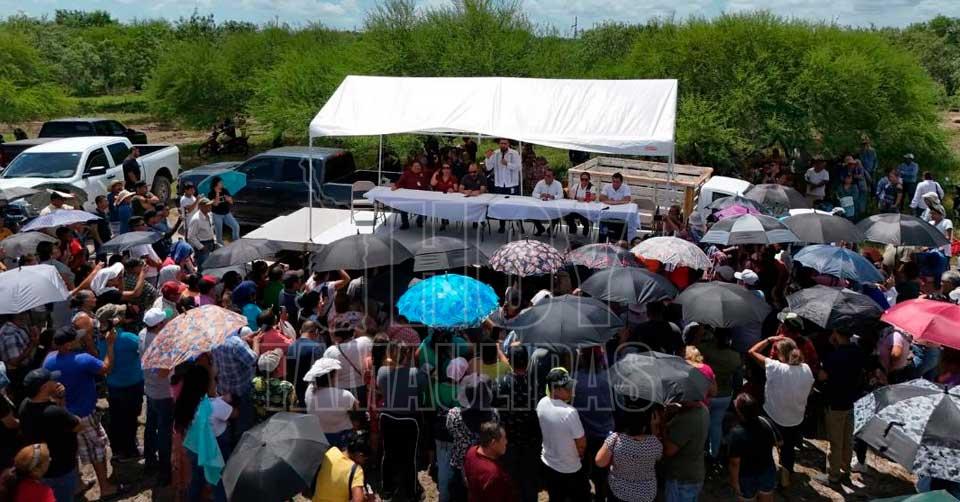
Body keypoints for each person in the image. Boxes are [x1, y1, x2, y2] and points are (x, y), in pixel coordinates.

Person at [42, 326, 119, 498]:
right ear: (68, 344)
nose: (80, 339)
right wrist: (110, 345)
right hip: (85, 414)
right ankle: (105, 487)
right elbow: (106, 368)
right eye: (76, 338)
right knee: (97, 448)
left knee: (72, 450)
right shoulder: (83, 359)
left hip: (63, 415)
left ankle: (78, 484)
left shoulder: (48, 360)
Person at [747, 336, 814, 488]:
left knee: (765, 446)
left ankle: (766, 475)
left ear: (782, 354)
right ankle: (785, 478)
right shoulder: (806, 369)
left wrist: (770, 339)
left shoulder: (775, 367)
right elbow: (810, 391)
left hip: (772, 415)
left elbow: (752, 352)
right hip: (795, 417)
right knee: (788, 448)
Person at [17, 369, 80, 502]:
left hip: (40, 468)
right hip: (61, 469)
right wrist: (61, 400)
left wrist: (56, 399)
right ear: (44, 387)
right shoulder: (54, 412)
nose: (56, 382)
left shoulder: (24, 405)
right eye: (52, 380)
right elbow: (78, 425)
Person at [376, 339, 426, 501]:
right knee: (409, 458)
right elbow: (422, 390)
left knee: (388, 454)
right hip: (409, 420)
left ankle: (387, 488)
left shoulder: (382, 371)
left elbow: (381, 388)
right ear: (407, 355)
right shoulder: (416, 373)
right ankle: (411, 491)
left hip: (387, 418)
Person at [95, 305, 144, 461]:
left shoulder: (101, 339)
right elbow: (144, 349)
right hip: (132, 384)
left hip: (114, 385)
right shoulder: (128, 338)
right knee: (131, 418)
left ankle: (118, 450)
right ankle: (130, 450)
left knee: (117, 418)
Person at [819, 329, 865, 483]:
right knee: (847, 439)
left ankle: (833, 475)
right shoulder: (858, 352)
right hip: (851, 401)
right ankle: (845, 471)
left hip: (835, 402)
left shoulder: (833, 356)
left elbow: (822, 376)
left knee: (835, 441)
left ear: (836, 334)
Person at [495, 346, 540, 502]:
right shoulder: (536, 384)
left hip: (508, 442)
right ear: (527, 361)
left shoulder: (500, 383)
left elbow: (494, 408)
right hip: (531, 442)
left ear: (510, 361)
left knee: (510, 482)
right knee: (529, 483)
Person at [537, 367, 588, 502]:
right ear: (556, 390)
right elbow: (581, 444)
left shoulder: (541, 403)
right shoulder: (570, 412)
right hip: (570, 468)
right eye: (567, 387)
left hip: (548, 463)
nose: (571, 390)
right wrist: (581, 454)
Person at [595, 406, 662, 502]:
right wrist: (654, 426)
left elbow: (600, 462)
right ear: (644, 426)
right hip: (646, 494)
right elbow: (658, 457)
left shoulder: (615, 439)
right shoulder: (654, 442)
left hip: (619, 492)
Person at [573, 348, 614, 502]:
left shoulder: (574, 379)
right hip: (604, 433)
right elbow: (617, 405)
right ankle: (600, 496)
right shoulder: (609, 378)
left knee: (583, 470)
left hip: (582, 434)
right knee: (601, 473)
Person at [139, 308, 174, 485]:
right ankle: (164, 471)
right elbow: (163, 373)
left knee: (150, 427)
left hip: (150, 389)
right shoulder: (162, 343)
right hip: (164, 393)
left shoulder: (142, 334)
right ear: (160, 324)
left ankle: (150, 461)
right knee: (164, 432)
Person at [727, 393, 778, 502]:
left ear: (739, 412)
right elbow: (780, 442)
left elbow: (734, 463)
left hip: (746, 475)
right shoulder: (766, 421)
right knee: (767, 497)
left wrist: (734, 482)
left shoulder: (736, 433)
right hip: (767, 469)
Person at [661, 398, 710, 502]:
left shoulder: (687, 419)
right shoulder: (703, 409)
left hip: (681, 479)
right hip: (694, 474)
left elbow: (669, 450)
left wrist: (663, 422)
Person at [304, 357, 358, 448]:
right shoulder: (344, 395)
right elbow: (356, 410)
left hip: (320, 437)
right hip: (341, 438)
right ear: (332, 377)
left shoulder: (309, 391)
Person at [463, 422, 518, 502]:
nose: (506, 442)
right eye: (504, 439)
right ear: (493, 443)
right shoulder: (493, 475)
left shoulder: (471, 452)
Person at [311, 431, 371, 502]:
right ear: (359, 454)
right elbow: (358, 500)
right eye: (365, 458)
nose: (364, 461)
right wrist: (365, 498)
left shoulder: (332, 451)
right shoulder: (356, 470)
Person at [485, 139, 522, 233]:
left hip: (512, 184)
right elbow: (489, 167)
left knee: (515, 205)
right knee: (500, 205)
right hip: (499, 184)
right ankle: (502, 226)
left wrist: (507, 164)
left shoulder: (514, 153)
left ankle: (519, 225)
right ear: (499, 144)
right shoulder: (495, 153)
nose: (503, 145)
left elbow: (519, 167)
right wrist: (488, 158)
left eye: (505, 143)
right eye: (501, 143)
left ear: (508, 144)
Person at [287, 320, 325, 404]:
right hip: (310, 392)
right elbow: (320, 373)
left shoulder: (290, 347)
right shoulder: (316, 347)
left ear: (300, 331)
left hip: (294, 393)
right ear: (316, 332)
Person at [250, 349, 295, 421]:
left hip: (261, 422)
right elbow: (293, 407)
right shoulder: (287, 386)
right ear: (277, 368)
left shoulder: (254, 382)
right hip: (282, 422)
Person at [391, 160, 430, 229]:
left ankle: (419, 221)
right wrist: (396, 186)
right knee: (402, 206)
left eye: (418, 166)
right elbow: (400, 182)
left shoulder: (424, 174)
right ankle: (405, 224)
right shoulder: (406, 173)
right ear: (411, 167)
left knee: (427, 206)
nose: (417, 167)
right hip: (408, 198)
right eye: (415, 166)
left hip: (421, 198)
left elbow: (427, 185)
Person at [599, 173, 632, 241]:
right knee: (602, 219)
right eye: (613, 181)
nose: (615, 183)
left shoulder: (626, 187)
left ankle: (621, 240)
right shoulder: (607, 186)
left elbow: (627, 199)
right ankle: (602, 240)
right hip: (608, 213)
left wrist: (612, 202)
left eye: (617, 182)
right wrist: (618, 202)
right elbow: (601, 198)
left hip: (621, 214)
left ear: (621, 182)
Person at [530, 169, 564, 236]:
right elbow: (534, 194)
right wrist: (540, 195)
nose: (546, 177)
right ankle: (540, 228)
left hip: (553, 207)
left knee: (558, 213)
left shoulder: (558, 184)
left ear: (553, 177)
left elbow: (561, 195)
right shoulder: (540, 183)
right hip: (541, 206)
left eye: (549, 176)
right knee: (531, 212)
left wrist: (553, 196)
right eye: (545, 175)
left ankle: (550, 230)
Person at [187, 198, 217, 270]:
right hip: (202, 245)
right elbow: (191, 236)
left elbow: (211, 228)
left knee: (209, 266)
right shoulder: (196, 219)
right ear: (201, 207)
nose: (210, 207)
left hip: (210, 242)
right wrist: (201, 247)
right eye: (207, 205)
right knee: (203, 268)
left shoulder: (209, 214)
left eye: (210, 205)